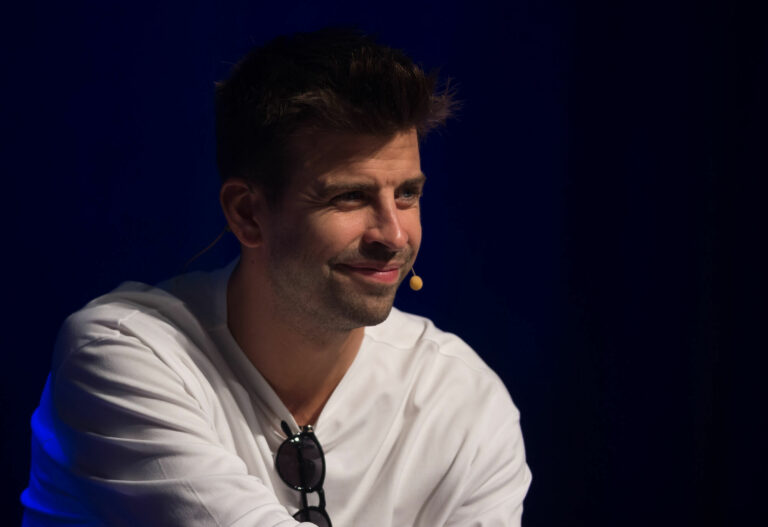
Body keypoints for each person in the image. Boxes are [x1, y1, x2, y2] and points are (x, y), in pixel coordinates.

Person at [21, 27, 532, 526]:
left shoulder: (462, 400)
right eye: (350, 196)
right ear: (247, 213)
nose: (394, 235)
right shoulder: (122, 355)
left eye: (407, 194)